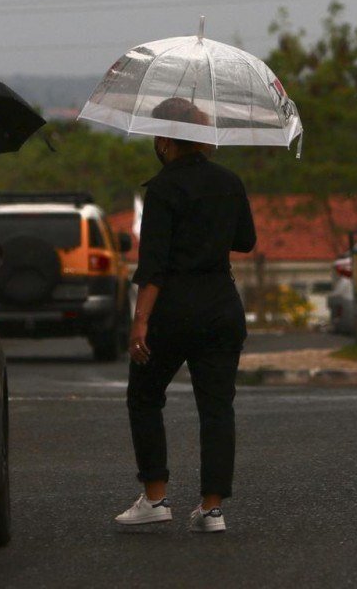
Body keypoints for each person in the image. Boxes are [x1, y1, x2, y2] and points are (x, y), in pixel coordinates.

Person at [114, 97, 256, 533]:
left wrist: (140, 322)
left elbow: (153, 265)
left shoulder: (162, 189)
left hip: (174, 308)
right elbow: (245, 241)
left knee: (144, 395)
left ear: (164, 140)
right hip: (221, 304)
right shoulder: (230, 182)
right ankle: (212, 509)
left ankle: (156, 496)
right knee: (216, 407)